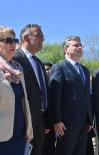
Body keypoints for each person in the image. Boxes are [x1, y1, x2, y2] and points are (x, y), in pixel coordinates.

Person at [50, 36, 93, 155]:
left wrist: (89, 120)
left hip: (84, 123)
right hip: (66, 124)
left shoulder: (85, 70)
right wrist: (57, 120)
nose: (79, 47)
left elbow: (87, 97)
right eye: (75, 45)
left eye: (80, 45)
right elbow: (54, 96)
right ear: (66, 50)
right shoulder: (59, 67)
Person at [13, 24, 50, 155]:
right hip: (23, 122)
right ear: (26, 38)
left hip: (40, 121)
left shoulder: (39, 62)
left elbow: (44, 92)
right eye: (39, 36)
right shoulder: (15, 59)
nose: (42, 39)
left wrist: (46, 119)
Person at [0, 26, 33, 154]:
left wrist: (29, 129)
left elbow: (25, 102)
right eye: (8, 40)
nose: (13, 43)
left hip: (19, 133)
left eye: (14, 40)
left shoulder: (17, 68)